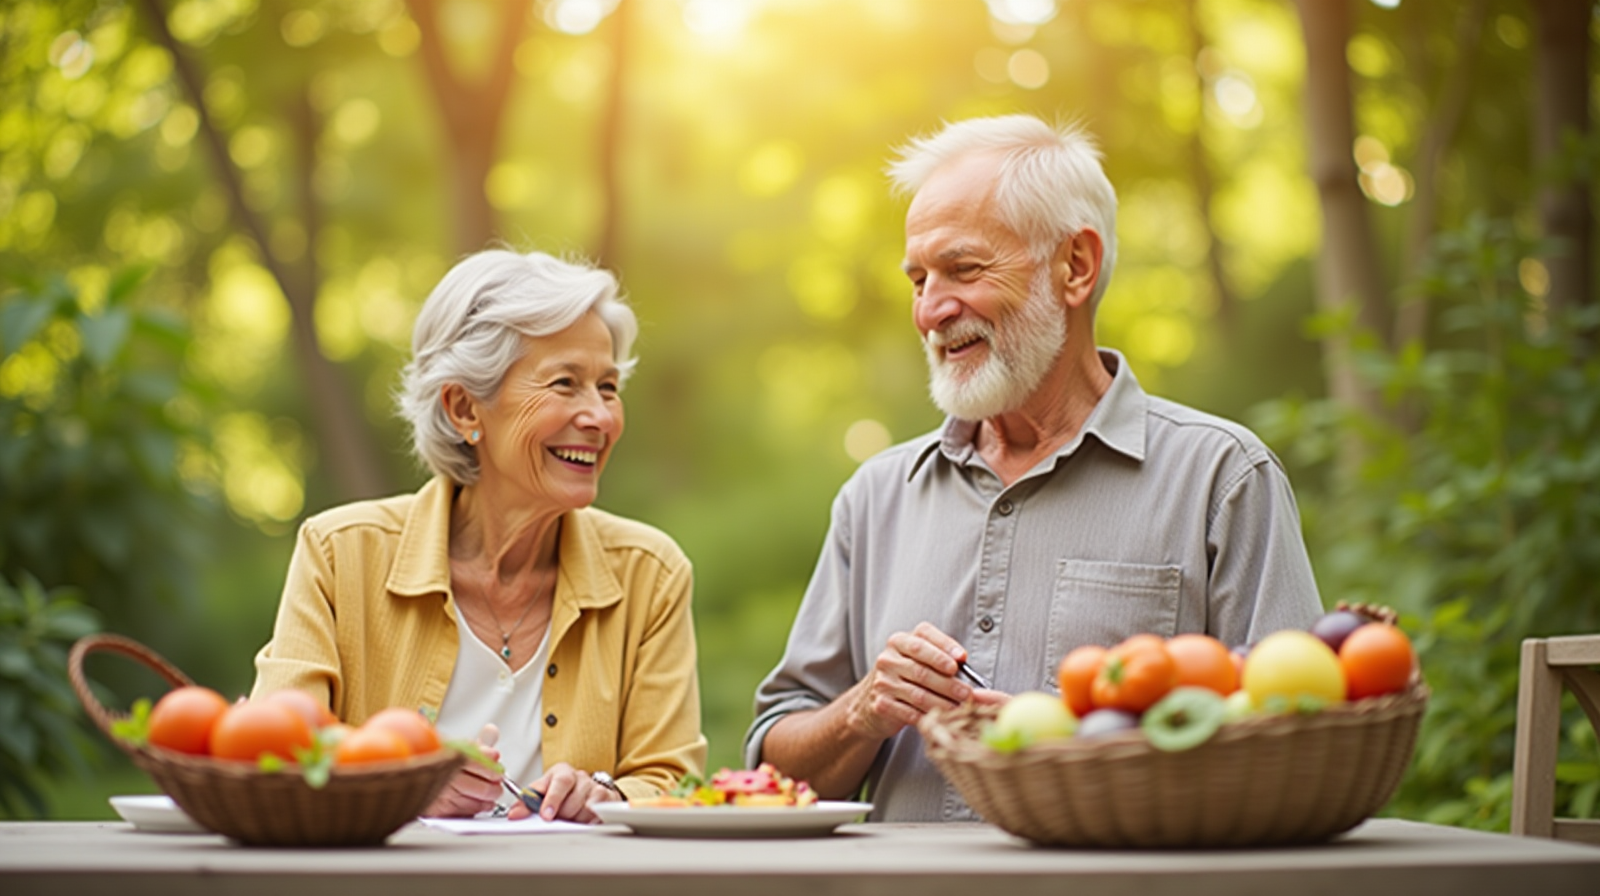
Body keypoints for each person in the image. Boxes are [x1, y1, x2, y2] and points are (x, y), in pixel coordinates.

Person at [744, 115, 1323, 823]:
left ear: (1074, 267)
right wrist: (861, 711)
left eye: (963, 269)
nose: (930, 310)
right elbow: (773, 772)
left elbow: (1301, 749)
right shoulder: (874, 498)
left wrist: (1078, 745)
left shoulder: (1222, 479)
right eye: (919, 279)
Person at [252, 248, 706, 822]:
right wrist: (398, 780)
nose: (600, 417)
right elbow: (270, 750)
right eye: (565, 383)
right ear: (466, 407)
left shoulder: (650, 573)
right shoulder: (341, 554)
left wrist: (609, 796)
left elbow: (675, 780)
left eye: (608, 387)